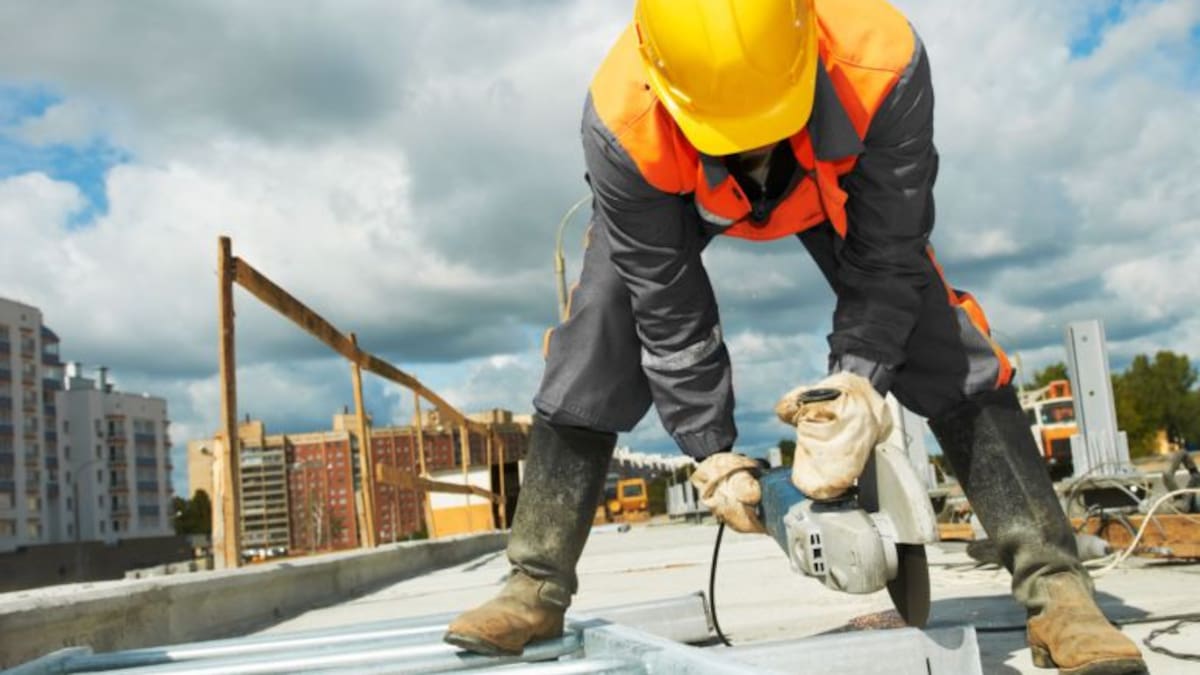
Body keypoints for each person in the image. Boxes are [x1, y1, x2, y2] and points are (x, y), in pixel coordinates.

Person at [445, 1, 1146, 673]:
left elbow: (888, 256)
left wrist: (853, 388)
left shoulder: (883, 60)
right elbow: (668, 306)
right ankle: (533, 581)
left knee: (937, 333)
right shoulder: (622, 121)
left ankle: (1058, 590)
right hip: (678, 193)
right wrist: (710, 451)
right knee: (597, 325)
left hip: (831, 182)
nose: (752, 147)